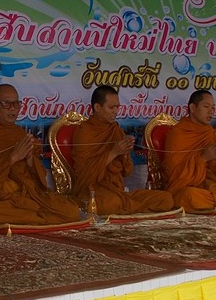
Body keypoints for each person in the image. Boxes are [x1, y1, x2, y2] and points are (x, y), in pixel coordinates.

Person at [0, 84, 80, 230]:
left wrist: (30, 160)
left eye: (16, 103)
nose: (13, 108)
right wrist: (12, 158)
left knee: (72, 210)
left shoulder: (20, 135)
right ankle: (40, 219)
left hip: (27, 198)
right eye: (6, 103)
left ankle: (33, 218)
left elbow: (39, 184)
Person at [71, 85, 176, 215]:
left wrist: (125, 153)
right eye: (111, 107)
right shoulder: (84, 132)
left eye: (117, 107)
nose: (115, 111)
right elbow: (84, 174)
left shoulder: (115, 129)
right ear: (97, 107)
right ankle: (127, 205)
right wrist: (114, 152)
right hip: (93, 192)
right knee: (109, 203)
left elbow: (127, 171)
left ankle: (127, 205)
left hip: (117, 192)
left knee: (166, 199)